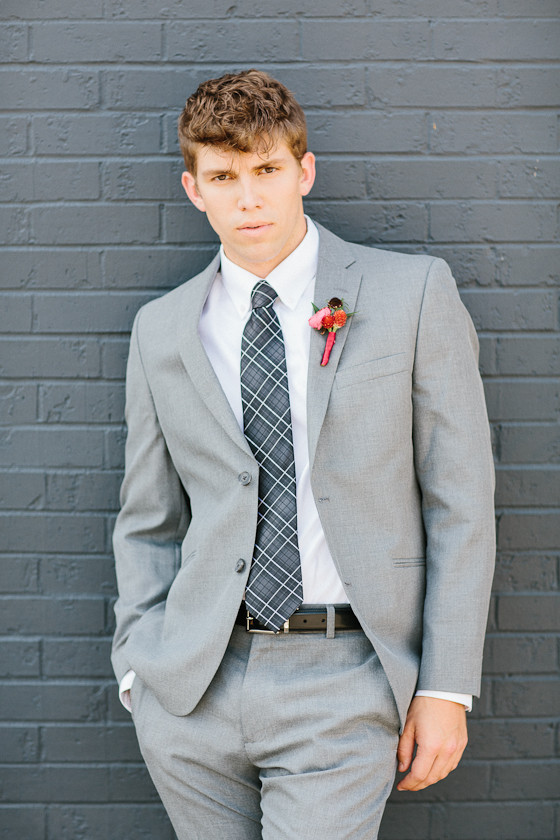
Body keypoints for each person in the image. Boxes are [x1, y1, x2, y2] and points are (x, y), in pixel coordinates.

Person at [112, 69, 495, 839]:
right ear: (194, 189)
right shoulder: (162, 328)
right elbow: (147, 518)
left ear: (304, 171)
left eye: (267, 170)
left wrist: (446, 687)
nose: (248, 198)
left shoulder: (412, 294)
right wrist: (138, 669)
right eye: (224, 177)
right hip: (193, 688)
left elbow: (459, 502)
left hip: (345, 678)